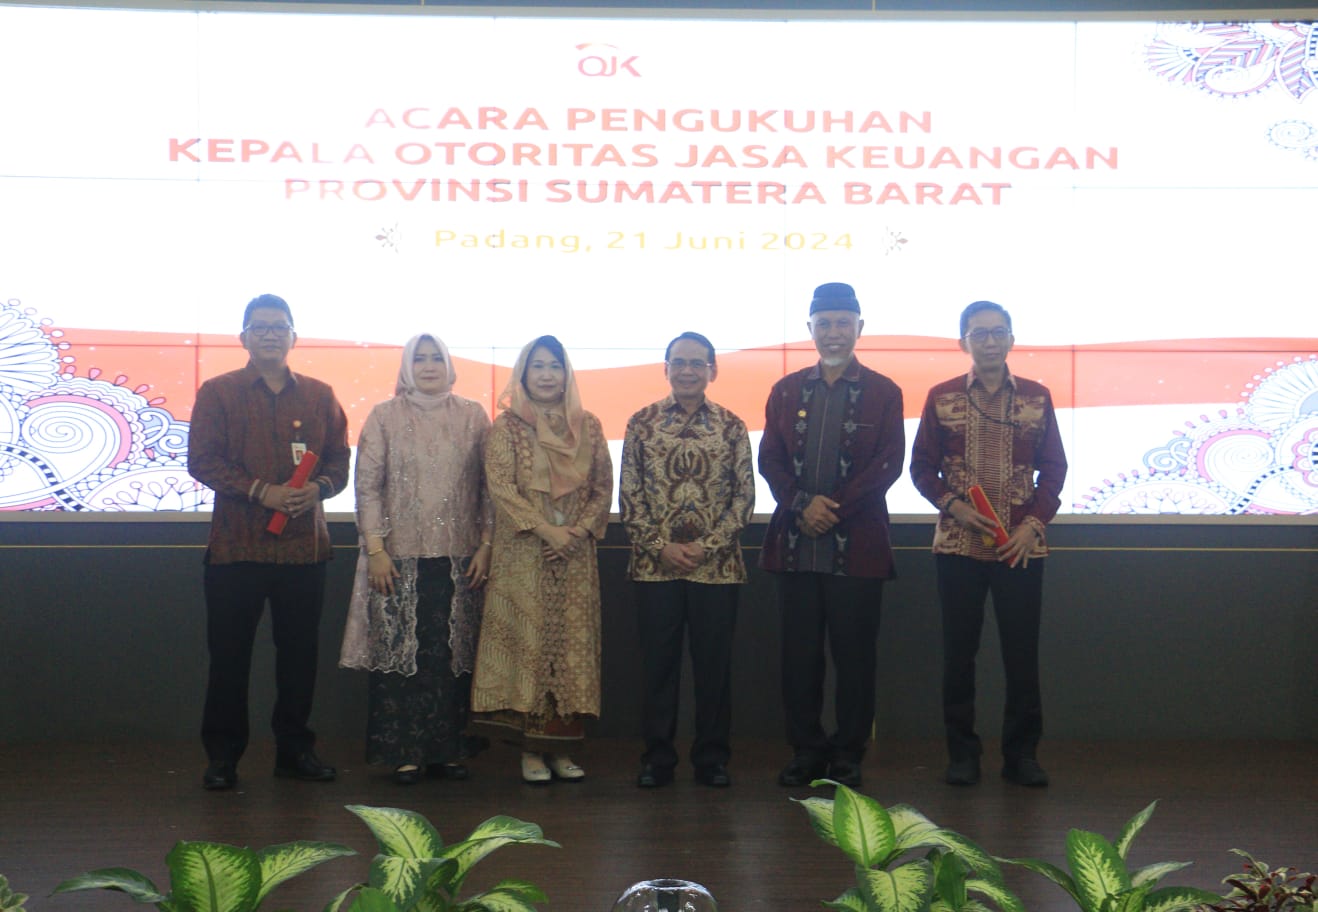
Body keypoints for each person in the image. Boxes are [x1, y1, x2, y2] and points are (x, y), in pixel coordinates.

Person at [188, 293, 350, 791]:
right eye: (260, 327)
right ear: (243, 337)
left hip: (303, 549)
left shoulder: (320, 395)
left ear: (294, 337)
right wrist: (263, 492)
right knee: (230, 658)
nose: (270, 334)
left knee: (300, 657)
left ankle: (295, 752)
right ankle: (223, 759)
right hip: (236, 548)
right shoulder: (218, 392)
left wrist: (317, 490)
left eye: (279, 327)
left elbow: (339, 463)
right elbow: (202, 461)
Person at [910, 299, 1067, 788]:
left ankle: (1022, 756)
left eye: (998, 332)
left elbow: (1055, 469)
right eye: (979, 333)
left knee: (1022, 656)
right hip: (958, 546)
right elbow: (921, 468)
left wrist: (1032, 525)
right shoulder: (942, 397)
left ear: (1012, 340)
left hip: (1020, 547)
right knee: (959, 655)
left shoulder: (1037, 398)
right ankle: (962, 755)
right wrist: (953, 506)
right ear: (964, 343)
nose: (990, 341)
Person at [758, 282, 905, 789]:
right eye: (824, 324)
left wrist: (830, 509)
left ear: (860, 328)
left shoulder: (884, 392)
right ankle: (806, 750)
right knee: (799, 659)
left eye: (843, 323)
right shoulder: (786, 390)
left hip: (857, 548)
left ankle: (847, 753)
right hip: (795, 547)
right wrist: (803, 504)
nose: (834, 332)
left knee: (855, 658)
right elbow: (770, 459)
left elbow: (888, 463)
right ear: (810, 330)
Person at [338, 333, 493, 785]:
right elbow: (368, 487)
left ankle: (448, 751)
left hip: (460, 558)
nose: (428, 366)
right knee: (401, 661)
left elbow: (489, 489)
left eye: (436, 358)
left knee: (451, 659)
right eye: (420, 359)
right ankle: (404, 754)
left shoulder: (473, 416)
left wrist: (487, 545)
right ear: (406, 367)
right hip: (396, 558)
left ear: (449, 365)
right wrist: (376, 550)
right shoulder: (384, 416)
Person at [469, 335, 613, 784]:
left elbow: (602, 487)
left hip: (574, 556)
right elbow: (501, 488)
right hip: (524, 553)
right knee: (527, 648)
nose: (547, 375)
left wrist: (577, 531)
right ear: (523, 374)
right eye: (538, 367)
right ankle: (530, 751)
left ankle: (562, 747)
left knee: (568, 650)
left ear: (566, 374)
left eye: (555, 366)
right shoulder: (507, 427)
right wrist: (546, 530)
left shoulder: (588, 425)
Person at [620, 331, 755, 789]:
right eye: (679, 362)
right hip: (654, 568)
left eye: (697, 363)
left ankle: (711, 759)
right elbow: (630, 496)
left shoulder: (732, 426)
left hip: (716, 569)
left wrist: (707, 545)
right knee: (658, 669)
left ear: (713, 370)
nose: (687, 371)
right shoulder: (641, 423)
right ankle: (657, 759)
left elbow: (744, 499)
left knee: (714, 670)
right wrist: (659, 546)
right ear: (665, 369)